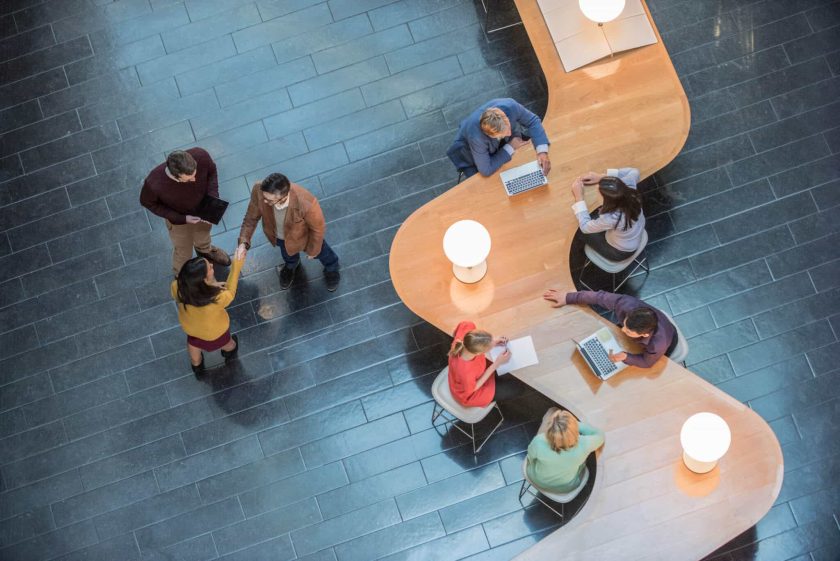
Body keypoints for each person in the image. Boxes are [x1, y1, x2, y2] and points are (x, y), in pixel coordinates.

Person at [237, 172, 340, 291]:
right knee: (287, 253)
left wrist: (313, 251)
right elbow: (251, 217)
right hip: (279, 236)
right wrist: (243, 243)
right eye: (264, 197)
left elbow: (317, 230)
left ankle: (332, 267)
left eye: (269, 200)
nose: (264, 201)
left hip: (304, 236)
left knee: (323, 252)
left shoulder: (306, 202)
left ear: (283, 197)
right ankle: (292, 265)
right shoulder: (259, 190)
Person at [140, 148, 231, 276]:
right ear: (174, 177)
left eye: (195, 174)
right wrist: (182, 218)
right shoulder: (153, 184)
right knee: (183, 250)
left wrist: (212, 199)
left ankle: (205, 250)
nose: (194, 180)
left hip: (203, 209)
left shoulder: (201, 155)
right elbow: (148, 203)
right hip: (179, 221)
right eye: (188, 180)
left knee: (204, 234)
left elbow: (211, 172)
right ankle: (180, 274)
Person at [543, 289, 676, 368]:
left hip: (665, 345)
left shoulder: (657, 344)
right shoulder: (627, 304)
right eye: (624, 324)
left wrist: (626, 357)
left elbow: (647, 363)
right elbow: (598, 297)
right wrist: (568, 297)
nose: (623, 330)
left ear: (645, 335)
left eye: (628, 331)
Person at [171, 245, 246, 375]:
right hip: (215, 334)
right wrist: (237, 264)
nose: (212, 265)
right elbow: (230, 292)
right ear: (204, 280)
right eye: (210, 267)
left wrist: (211, 285)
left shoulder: (177, 287)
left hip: (192, 330)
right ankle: (229, 352)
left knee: (194, 347)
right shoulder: (217, 298)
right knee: (228, 343)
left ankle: (197, 365)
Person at [447, 98, 551, 178]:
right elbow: (485, 170)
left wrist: (542, 151)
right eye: (505, 133)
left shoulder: (511, 106)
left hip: (498, 144)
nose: (510, 133)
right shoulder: (476, 137)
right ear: (491, 135)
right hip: (470, 155)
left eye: (509, 127)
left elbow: (533, 121)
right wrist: (510, 147)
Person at [571, 167, 645, 261]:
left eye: (598, 192)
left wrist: (579, 197)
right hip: (633, 233)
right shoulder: (629, 189)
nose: (598, 188)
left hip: (620, 251)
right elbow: (635, 171)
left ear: (608, 202)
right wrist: (602, 177)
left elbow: (585, 227)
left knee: (577, 230)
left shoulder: (610, 219)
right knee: (590, 216)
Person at [447, 320, 526, 407]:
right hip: (470, 392)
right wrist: (496, 364)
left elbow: (461, 326)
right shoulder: (465, 372)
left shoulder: (467, 329)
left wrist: (493, 342)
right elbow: (473, 388)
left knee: (509, 375)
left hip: (468, 378)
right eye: (490, 347)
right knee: (518, 388)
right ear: (478, 353)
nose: (493, 343)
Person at [526, 407, 604, 493]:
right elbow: (600, 435)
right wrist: (574, 425)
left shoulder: (539, 441)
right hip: (565, 487)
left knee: (551, 410)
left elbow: (530, 456)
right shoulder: (584, 444)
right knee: (588, 453)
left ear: (550, 429)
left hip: (538, 480)